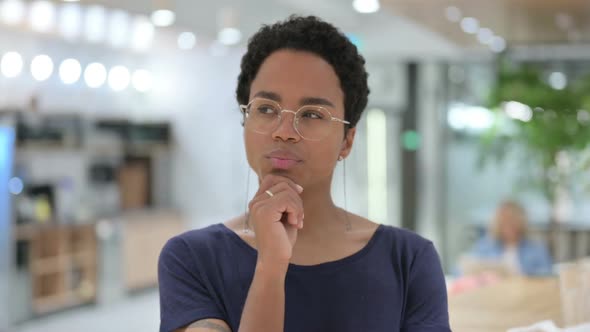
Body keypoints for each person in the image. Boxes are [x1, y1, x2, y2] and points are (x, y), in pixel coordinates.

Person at [158, 15, 450, 332]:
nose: (285, 132)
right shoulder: (192, 259)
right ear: (246, 121)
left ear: (347, 141)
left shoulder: (408, 260)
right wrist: (271, 265)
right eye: (266, 108)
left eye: (312, 114)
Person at [460, 200, 553, 277]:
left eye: (513, 220)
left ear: (521, 222)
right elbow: (460, 271)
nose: (508, 225)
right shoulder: (485, 246)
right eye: (504, 221)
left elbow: (548, 275)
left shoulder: (536, 249)